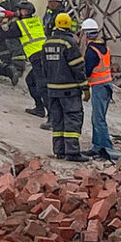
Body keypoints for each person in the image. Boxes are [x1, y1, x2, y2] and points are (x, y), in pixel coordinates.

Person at [44, 12, 89, 162]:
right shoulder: (69, 43)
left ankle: (59, 150)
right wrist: (85, 88)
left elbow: (44, 68)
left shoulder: (47, 43)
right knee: (72, 118)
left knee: (58, 120)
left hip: (52, 90)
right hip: (69, 89)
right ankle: (73, 152)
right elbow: (77, 67)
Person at [0, 1, 47, 119]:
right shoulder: (36, 20)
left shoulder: (20, 25)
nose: (18, 12)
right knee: (31, 81)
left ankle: (52, 117)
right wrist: (13, 14)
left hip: (37, 57)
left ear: (25, 12)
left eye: (20, 10)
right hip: (41, 56)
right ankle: (40, 109)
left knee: (41, 86)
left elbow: (7, 34)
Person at [81, 18, 115, 161]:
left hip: (99, 87)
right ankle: (97, 146)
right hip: (107, 85)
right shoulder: (104, 48)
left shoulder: (91, 51)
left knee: (98, 119)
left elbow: (88, 71)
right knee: (98, 118)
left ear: (86, 34)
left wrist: (83, 84)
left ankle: (107, 148)